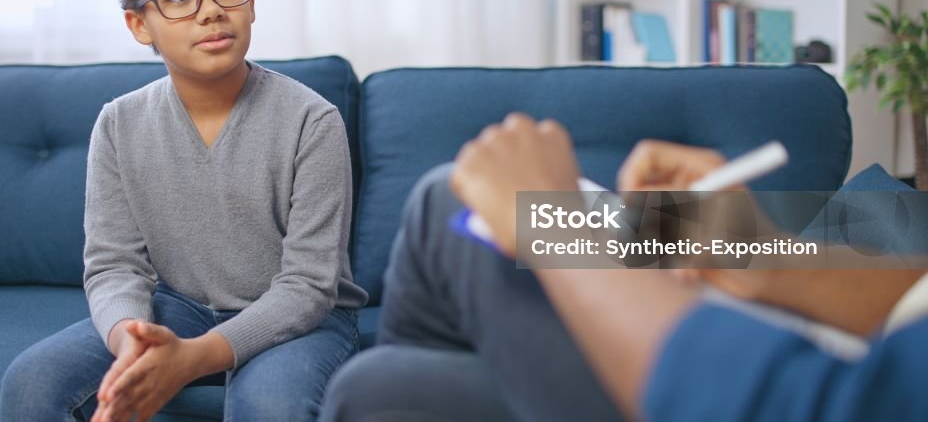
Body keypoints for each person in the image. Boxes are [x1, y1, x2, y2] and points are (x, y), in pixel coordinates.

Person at [0, 0, 367, 422]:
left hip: (304, 319)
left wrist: (194, 358)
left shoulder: (313, 120)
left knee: (271, 404)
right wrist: (130, 338)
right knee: (31, 382)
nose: (211, 9)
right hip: (180, 308)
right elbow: (113, 265)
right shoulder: (119, 123)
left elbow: (309, 287)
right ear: (139, 24)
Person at [320, 113, 928, 421]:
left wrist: (559, 226)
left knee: (449, 200)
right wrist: (762, 251)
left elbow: (790, 403)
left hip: (757, 387)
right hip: (823, 341)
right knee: (374, 387)